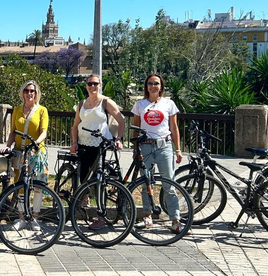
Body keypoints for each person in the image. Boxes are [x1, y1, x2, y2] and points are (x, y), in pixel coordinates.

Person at [69, 74, 125, 229]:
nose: (92, 86)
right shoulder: (81, 104)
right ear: (86, 86)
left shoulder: (106, 102)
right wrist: (74, 143)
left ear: (100, 85)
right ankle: (84, 199)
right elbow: (75, 126)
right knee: (84, 176)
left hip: (100, 144)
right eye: (89, 84)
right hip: (83, 143)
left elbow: (121, 120)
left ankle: (101, 216)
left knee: (99, 180)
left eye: (95, 84)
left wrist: (118, 139)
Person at [131, 73, 183, 234]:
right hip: (145, 146)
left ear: (161, 87)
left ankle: (175, 219)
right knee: (147, 182)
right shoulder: (140, 104)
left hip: (164, 146)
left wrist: (178, 149)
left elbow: (174, 128)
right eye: (150, 83)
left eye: (156, 83)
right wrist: (135, 148)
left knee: (169, 183)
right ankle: (148, 215)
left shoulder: (169, 104)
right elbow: (136, 128)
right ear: (146, 87)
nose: (153, 86)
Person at [0, 80, 49, 231]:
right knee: (20, 184)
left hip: (36, 152)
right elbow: (13, 132)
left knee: (38, 185)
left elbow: (43, 131)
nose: (29, 94)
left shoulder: (42, 110)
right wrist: (7, 146)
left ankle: (35, 217)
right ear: (22, 92)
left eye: (32, 91)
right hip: (20, 152)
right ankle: (21, 217)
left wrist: (35, 144)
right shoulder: (17, 110)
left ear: (36, 93)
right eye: (26, 91)